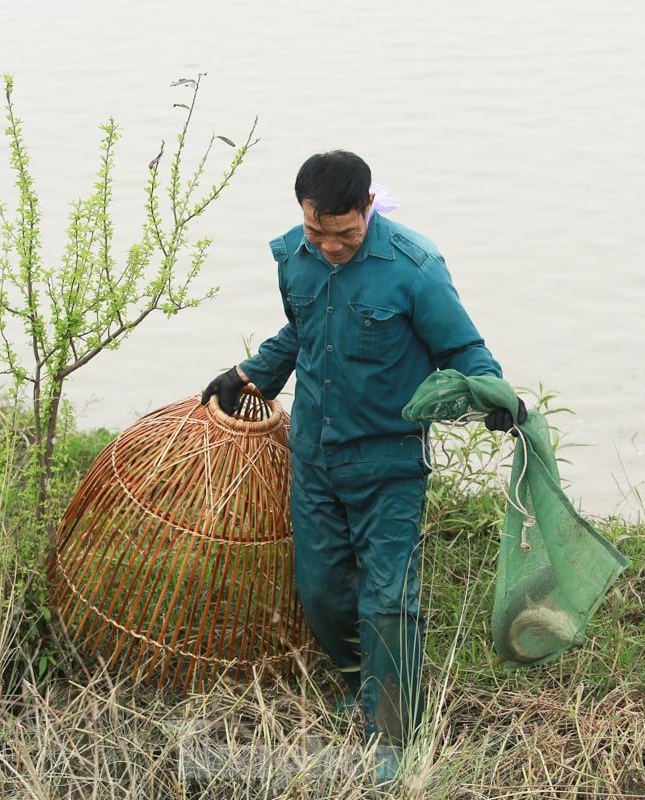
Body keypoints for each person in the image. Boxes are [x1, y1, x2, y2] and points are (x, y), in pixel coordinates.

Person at [201, 150, 525, 766]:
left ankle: (397, 735)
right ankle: (362, 691)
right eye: (316, 231)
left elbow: (464, 347)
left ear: (369, 208)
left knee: (389, 600)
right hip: (314, 458)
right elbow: (301, 329)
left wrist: (495, 396)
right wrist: (250, 374)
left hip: (389, 463)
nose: (330, 247)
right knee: (321, 591)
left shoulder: (415, 268)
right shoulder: (295, 257)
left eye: (344, 234)